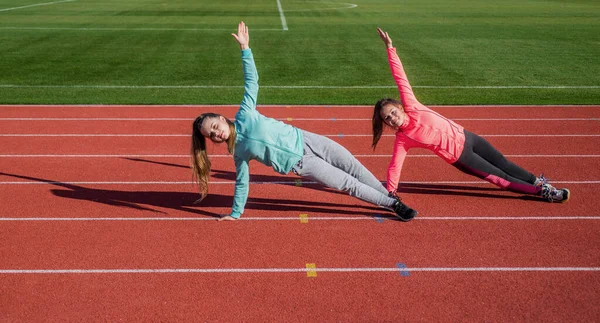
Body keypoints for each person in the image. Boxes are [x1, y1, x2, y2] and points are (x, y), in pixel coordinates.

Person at [191, 22, 417, 222]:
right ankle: (393, 204)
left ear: (221, 118)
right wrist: (235, 213)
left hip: (308, 139)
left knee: (352, 165)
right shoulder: (238, 151)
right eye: (211, 135)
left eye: (214, 127)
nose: (216, 134)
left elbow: (252, 81)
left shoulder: (245, 113)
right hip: (301, 163)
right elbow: (242, 182)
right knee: (346, 183)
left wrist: (245, 49)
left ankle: (388, 195)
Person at [372, 27, 570, 203]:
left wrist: (390, 48)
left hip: (468, 137)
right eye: (387, 118)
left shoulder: (412, 104)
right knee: (500, 177)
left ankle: (537, 181)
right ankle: (544, 193)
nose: (391, 118)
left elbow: (400, 77)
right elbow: (394, 167)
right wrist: (391, 192)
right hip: (461, 157)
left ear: (399, 106)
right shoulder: (403, 139)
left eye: (392, 112)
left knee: (503, 162)